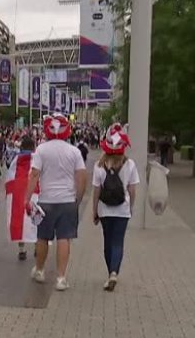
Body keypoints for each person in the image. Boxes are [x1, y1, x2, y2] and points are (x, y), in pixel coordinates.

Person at [25, 113, 87, 290]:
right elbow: (82, 176)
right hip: (67, 200)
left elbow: (34, 174)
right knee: (64, 238)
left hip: (46, 201)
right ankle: (61, 278)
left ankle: (40, 269)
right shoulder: (74, 151)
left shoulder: (41, 150)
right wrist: (79, 198)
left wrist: (27, 199)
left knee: (42, 237)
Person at [92, 124, 139, 291]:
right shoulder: (130, 164)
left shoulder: (99, 165)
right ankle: (114, 273)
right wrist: (131, 206)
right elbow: (132, 190)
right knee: (118, 242)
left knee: (107, 242)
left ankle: (110, 272)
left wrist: (94, 211)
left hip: (105, 209)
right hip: (122, 209)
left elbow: (96, 191)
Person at [5, 136, 38, 261]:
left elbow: (10, 175)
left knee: (20, 219)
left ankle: (22, 249)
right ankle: (37, 247)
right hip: (34, 190)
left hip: (18, 191)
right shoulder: (37, 158)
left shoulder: (17, 159)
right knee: (35, 219)